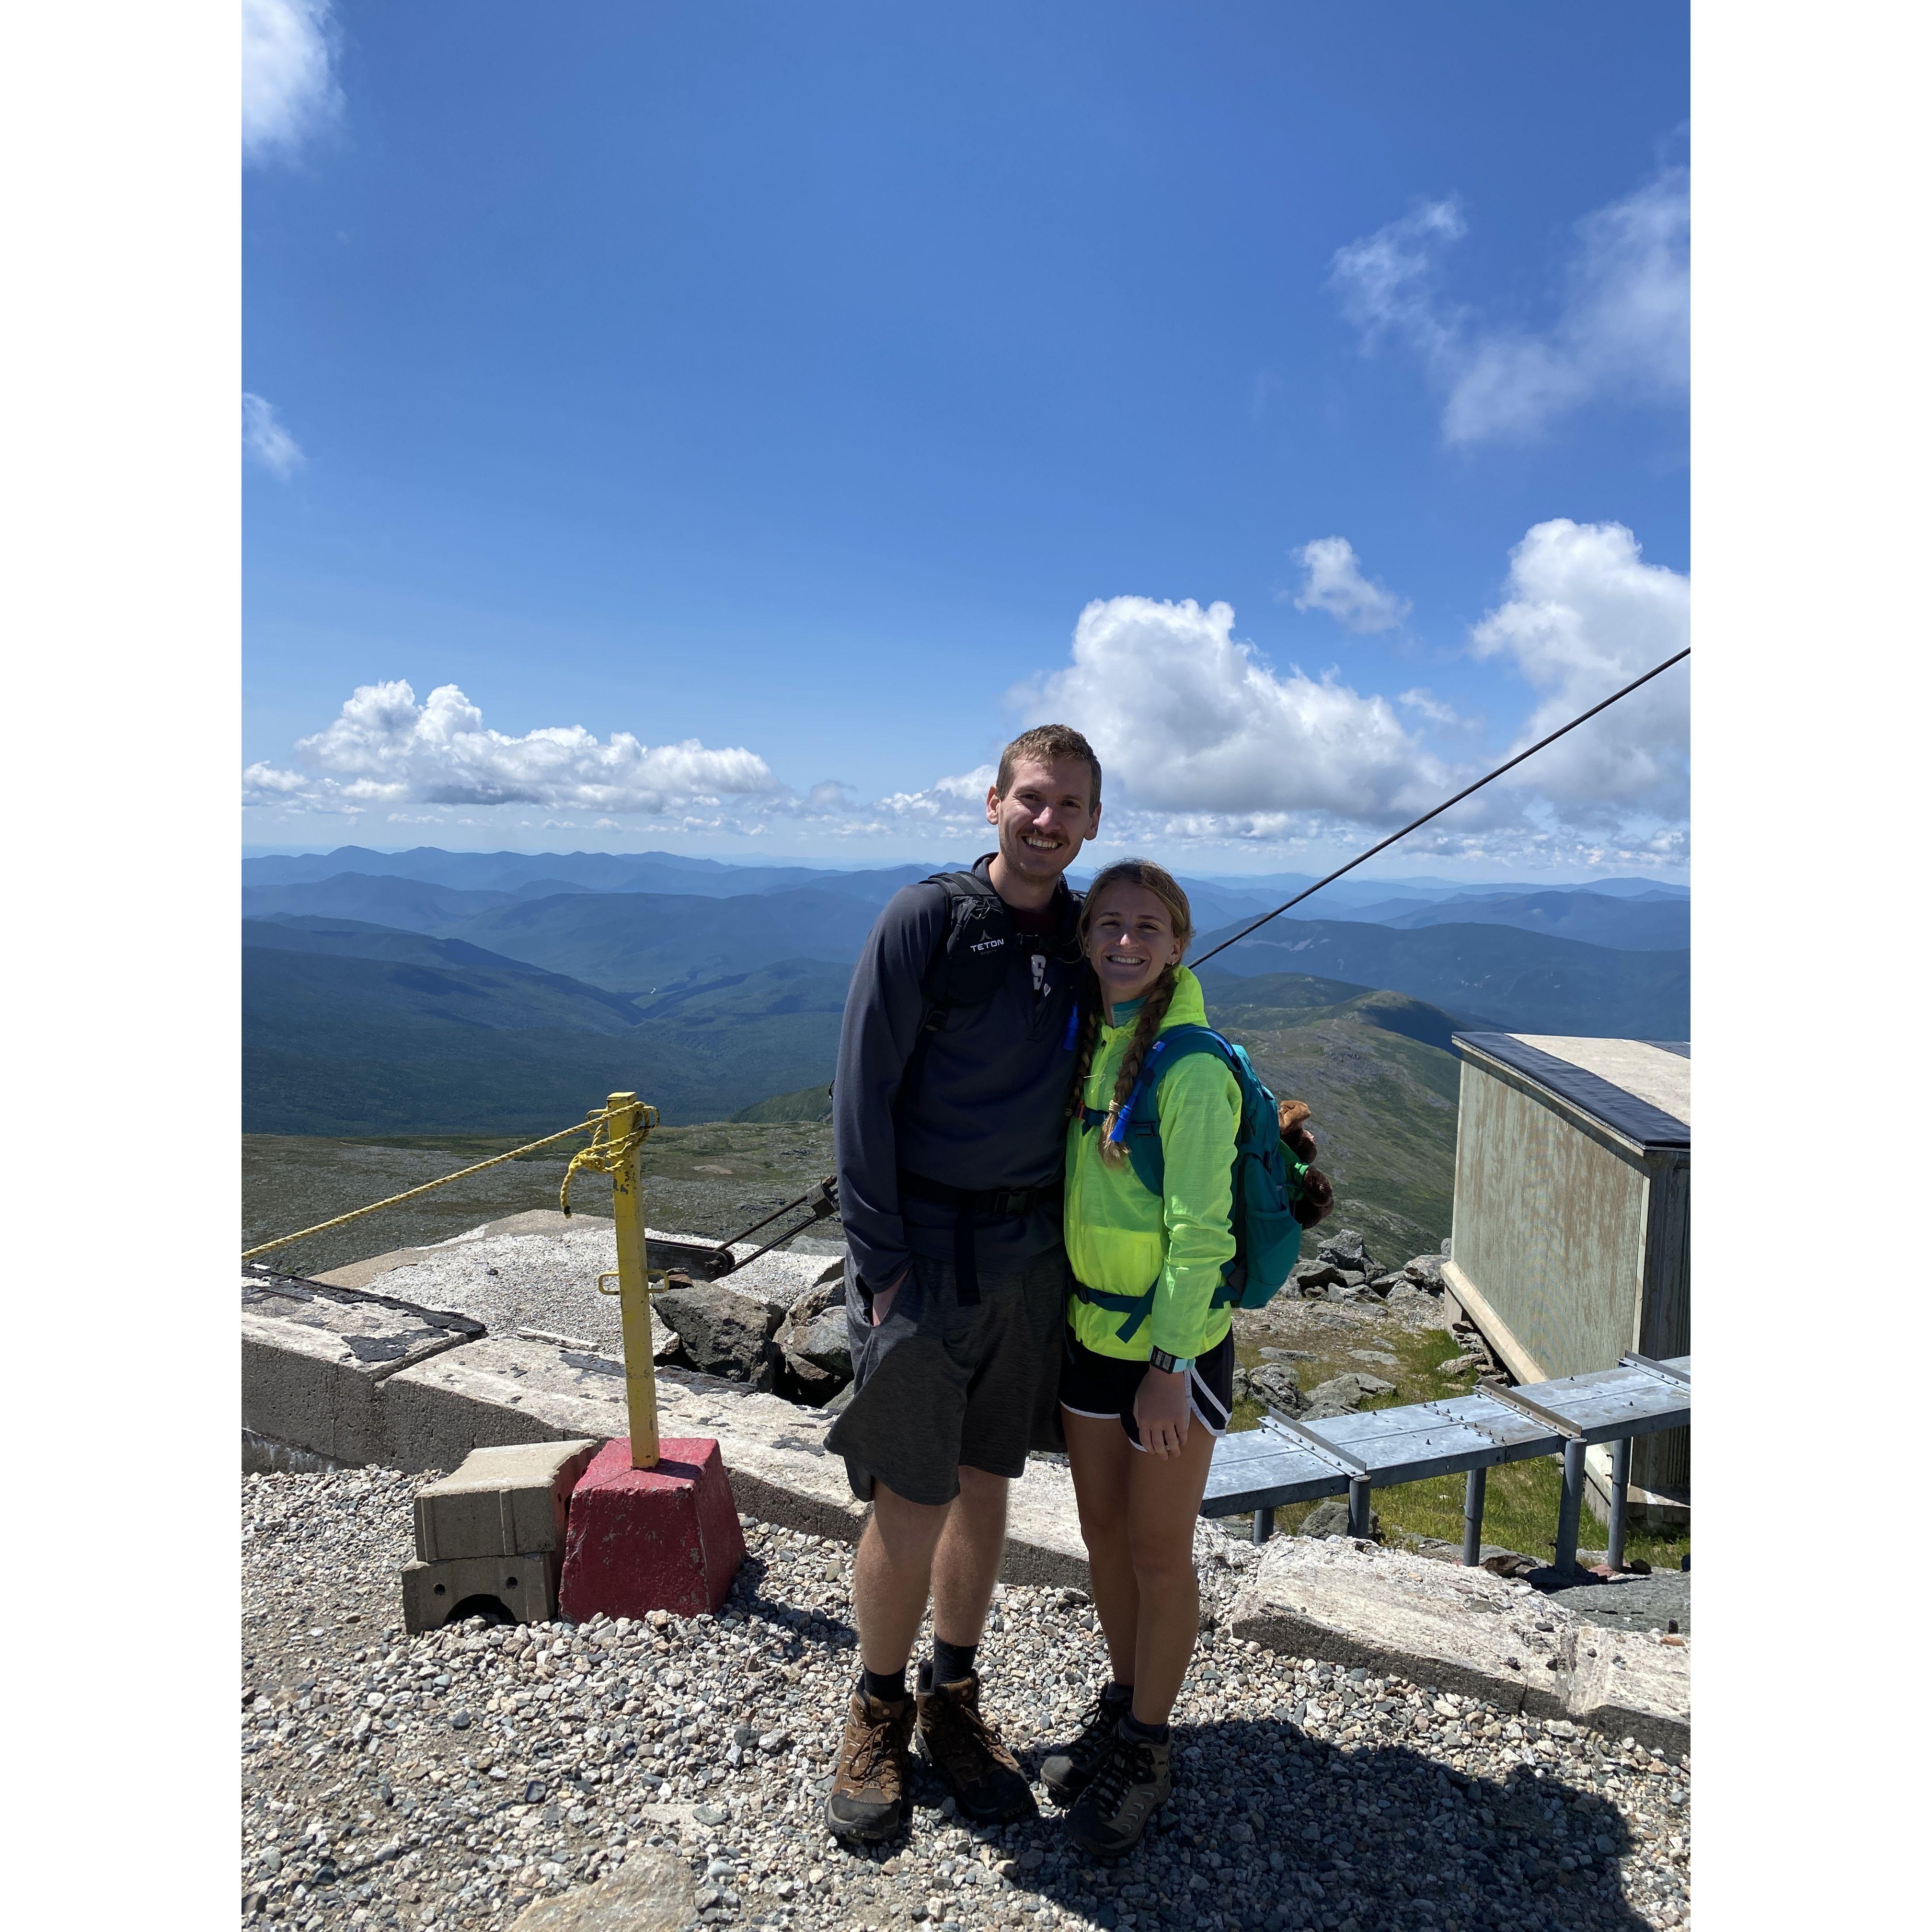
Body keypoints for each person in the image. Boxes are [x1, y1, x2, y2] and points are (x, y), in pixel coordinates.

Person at [821, 724, 1104, 1843]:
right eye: (1032, 799)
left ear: (1092, 823)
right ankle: (876, 1711)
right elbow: (860, 1093)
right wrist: (881, 1269)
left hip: (1030, 1263)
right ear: (994, 804)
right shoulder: (926, 921)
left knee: (986, 1482)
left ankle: (955, 1699)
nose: (1048, 821)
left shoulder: (1092, 937)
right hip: (923, 1260)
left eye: (1071, 806)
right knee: (912, 1494)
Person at [1042, 859, 1238, 1855]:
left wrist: (1169, 1363)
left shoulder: (1191, 1066)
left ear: (1179, 943)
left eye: (1147, 926)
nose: (1125, 940)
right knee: (1106, 1539)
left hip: (1171, 1353)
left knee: (1159, 1553)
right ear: (1085, 941)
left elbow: (1202, 1234)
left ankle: (1149, 1751)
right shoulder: (1094, 1038)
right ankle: (1125, 1710)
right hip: (1090, 1333)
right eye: (1107, 924)